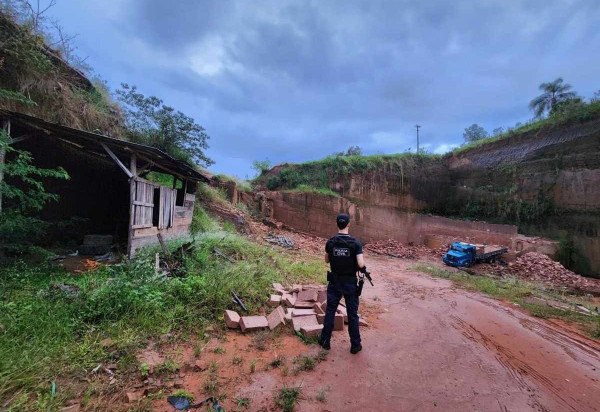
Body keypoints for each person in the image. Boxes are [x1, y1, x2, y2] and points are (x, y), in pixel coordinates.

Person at [319, 213, 369, 354]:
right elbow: (360, 264)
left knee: (330, 311)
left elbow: (326, 260)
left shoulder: (330, 242)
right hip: (349, 283)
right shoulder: (356, 243)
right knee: (352, 314)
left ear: (337, 224)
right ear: (348, 224)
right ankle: (355, 345)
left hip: (335, 282)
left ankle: (325, 341)